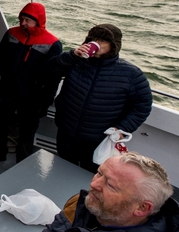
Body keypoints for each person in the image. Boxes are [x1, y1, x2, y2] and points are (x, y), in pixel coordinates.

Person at [3, 152, 179, 232]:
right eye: (99, 173)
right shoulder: (87, 205)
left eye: (110, 185)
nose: (94, 184)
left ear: (142, 208)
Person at [47, 24, 152, 173]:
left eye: (103, 41)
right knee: (62, 168)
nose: (96, 43)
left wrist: (122, 128)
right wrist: (71, 55)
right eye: (94, 39)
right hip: (66, 131)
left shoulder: (131, 74)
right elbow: (50, 70)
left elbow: (143, 105)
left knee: (92, 175)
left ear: (113, 46)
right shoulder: (76, 61)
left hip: (98, 139)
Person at [0, 2, 63, 164]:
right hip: (6, 90)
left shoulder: (53, 44)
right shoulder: (11, 34)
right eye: (22, 18)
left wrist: (44, 103)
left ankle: (22, 162)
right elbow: (0, 61)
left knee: (27, 132)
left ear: (38, 21)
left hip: (31, 96)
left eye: (28, 20)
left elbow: (53, 78)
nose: (23, 23)